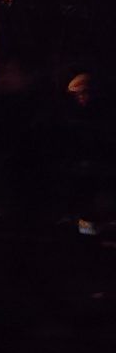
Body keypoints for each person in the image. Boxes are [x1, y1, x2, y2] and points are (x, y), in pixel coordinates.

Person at [58, 73, 114, 237]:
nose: (81, 98)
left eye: (85, 93)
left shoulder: (104, 115)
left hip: (97, 170)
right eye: (78, 94)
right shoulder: (71, 116)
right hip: (79, 169)